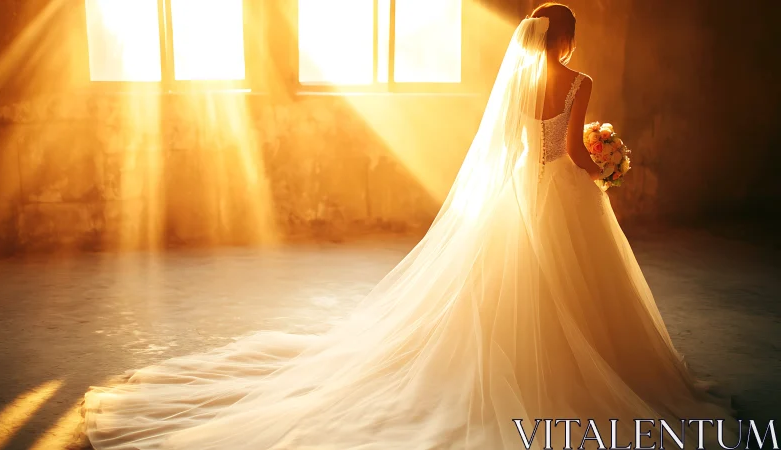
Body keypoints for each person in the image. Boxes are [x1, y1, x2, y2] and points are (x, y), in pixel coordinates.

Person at [83, 3, 733, 449]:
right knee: (576, 290)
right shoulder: (578, 79)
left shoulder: (518, 87)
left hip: (517, 197)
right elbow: (571, 155)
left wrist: (576, 164)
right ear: (565, 42)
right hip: (561, 193)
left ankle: (515, 366)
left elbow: (515, 149)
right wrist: (608, 170)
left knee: (510, 294)